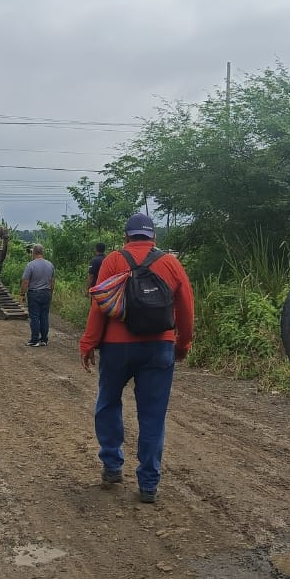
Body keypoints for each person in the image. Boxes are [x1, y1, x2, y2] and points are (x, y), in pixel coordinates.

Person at [80, 213, 194, 502]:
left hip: (116, 347)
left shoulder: (113, 260)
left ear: (126, 236)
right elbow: (186, 308)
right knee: (153, 415)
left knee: (108, 402)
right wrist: (183, 344)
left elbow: (99, 306)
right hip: (159, 347)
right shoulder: (170, 263)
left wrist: (88, 343)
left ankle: (112, 465)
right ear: (153, 236)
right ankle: (148, 485)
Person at [20, 244, 55, 347]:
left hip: (34, 293)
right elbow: (52, 281)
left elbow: (25, 281)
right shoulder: (50, 265)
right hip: (46, 292)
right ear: (42, 252)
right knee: (44, 316)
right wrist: (50, 293)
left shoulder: (30, 265)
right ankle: (44, 339)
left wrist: (22, 294)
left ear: (33, 252)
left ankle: (34, 339)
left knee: (34, 317)